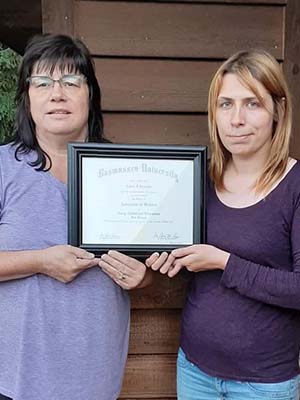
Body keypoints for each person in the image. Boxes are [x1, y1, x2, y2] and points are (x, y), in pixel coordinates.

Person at [0, 33, 153, 400]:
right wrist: (40, 261)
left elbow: (151, 269)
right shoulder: (3, 167)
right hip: (14, 381)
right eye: (43, 82)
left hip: (94, 379)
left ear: (90, 95)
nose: (57, 94)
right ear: (27, 97)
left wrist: (143, 277)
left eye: (71, 81)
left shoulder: (128, 171)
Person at [146, 49, 300, 399]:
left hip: (263, 384)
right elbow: (188, 257)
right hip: (194, 369)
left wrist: (223, 262)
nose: (236, 119)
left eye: (252, 104)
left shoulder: (295, 185)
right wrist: (168, 260)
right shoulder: (199, 179)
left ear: (278, 110)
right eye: (225, 104)